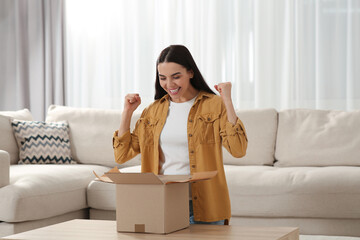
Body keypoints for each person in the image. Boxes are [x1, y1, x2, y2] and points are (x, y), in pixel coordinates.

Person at [113, 45, 248, 225]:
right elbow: (122, 155)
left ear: (191, 72)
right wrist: (127, 113)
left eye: (176, 77)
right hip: (161, 203)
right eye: (163, 78)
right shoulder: (152, 111)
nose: (169, 85)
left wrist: (227, 101)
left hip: (205, 205)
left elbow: (238, 150)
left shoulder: (214, 105)